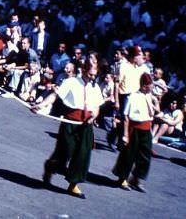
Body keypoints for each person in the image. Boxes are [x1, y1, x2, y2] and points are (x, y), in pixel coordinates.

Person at [34, 61, 103, 198]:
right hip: (70, 123)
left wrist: (93, 116)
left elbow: (96, 107)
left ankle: (73, 185)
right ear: (83, 70)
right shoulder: (71, 82)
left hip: (86, 125)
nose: (92, 78)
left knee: (82, 155)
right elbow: (55, 96)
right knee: (65, 152)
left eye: (95, 75)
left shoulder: (95, 87)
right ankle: (50, 167)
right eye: (90, 74)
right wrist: (40, 105)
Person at [113, 72, 155, 192]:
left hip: (146, 128)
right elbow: (126, 116)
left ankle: (135, 179)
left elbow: (150, 114)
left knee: (145, 156)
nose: (151, 89)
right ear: (143, 86)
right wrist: (125, 134)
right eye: (149, 86)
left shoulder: (148, 96)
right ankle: (122, 179)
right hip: (135, 128)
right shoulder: (133, 96)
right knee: (128, 155)